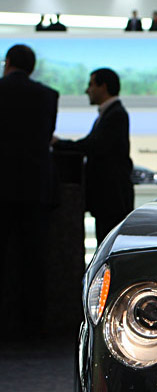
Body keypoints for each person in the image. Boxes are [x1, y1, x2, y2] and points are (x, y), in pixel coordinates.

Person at [0, 45, 59, 330]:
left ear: (8, 63)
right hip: (36, 187)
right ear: (32, 67)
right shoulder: (48, 96)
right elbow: (46, 137)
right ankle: (35, 324)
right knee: (35, 258)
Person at [52, 69, 134, 245]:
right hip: (109, 198)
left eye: (91, 85)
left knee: (108, 246)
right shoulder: (110, 113)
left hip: (111, 198)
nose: (87, 90)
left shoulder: (115, 114)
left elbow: (93, 145)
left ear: (103, 87)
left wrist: (59, 143)